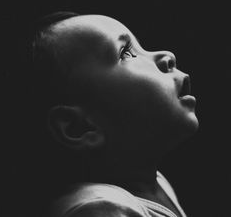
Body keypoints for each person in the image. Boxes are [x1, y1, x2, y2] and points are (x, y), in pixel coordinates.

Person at [30, 11, 199, 217]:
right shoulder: (100, 210)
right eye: (126, 53)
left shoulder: (154, 182)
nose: (167, 56)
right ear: (79, 127)